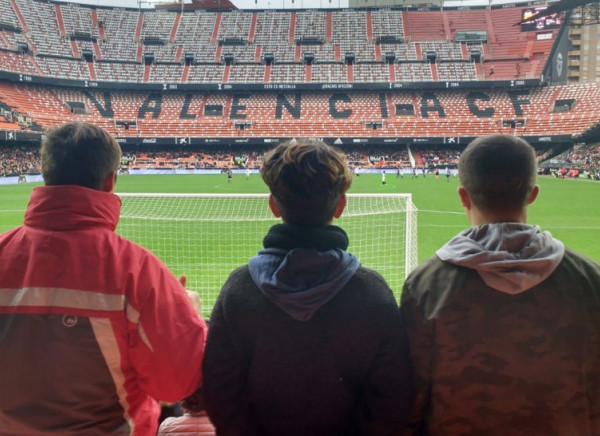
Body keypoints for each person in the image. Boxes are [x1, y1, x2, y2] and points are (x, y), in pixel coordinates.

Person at [0, 122, 208, 435]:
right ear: (110, 181)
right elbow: (175, 386)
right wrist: (188, 316)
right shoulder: (139, 273)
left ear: (44, 172)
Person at [203, 140, 414, 436]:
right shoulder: (373, 292)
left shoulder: (238, 289)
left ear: (273, 205)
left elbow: (219, 391)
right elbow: (394, 397)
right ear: (340, 206)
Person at [400, 134, 600, 435]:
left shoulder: (426, 284)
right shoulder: (590, 278)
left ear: (463, 197)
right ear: (533, 194)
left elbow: (411, 396)